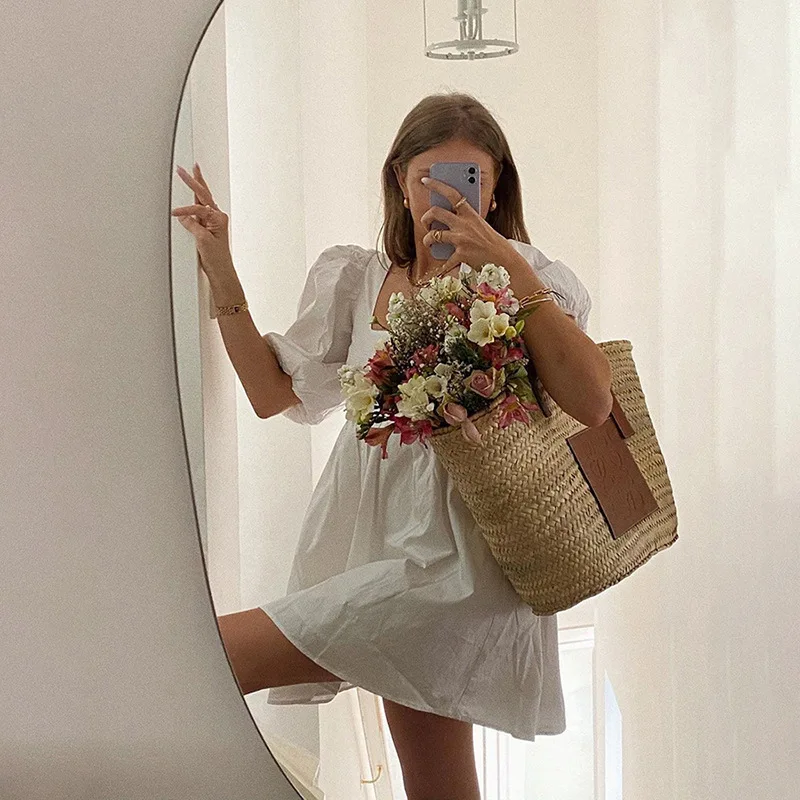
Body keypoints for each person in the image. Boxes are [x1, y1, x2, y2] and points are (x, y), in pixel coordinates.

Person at [172, 91, 612, 800]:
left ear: (496, 187)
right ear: (400, 184)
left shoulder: (532, 276)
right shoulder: (358, 278)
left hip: (462, 565)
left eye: (468, 180)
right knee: (438, 785)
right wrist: (219, 263)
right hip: (376, 544)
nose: (448, 199)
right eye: (429, 180)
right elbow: (271, 393)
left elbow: (592, 402)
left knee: (218, 653)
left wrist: (508, 266)